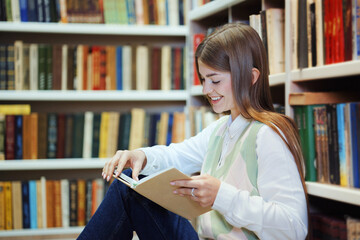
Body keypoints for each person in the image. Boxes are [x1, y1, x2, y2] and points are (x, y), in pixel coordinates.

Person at [78, 22, 308, 240]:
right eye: (203, 79)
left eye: (215, 80)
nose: (206, 90)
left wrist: (221, 196)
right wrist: (141, 156)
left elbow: (294, 226)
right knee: (129, 183)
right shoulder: (221, 129)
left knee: (128, 188)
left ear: (250, 77)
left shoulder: (269, 135)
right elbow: (178, 155)